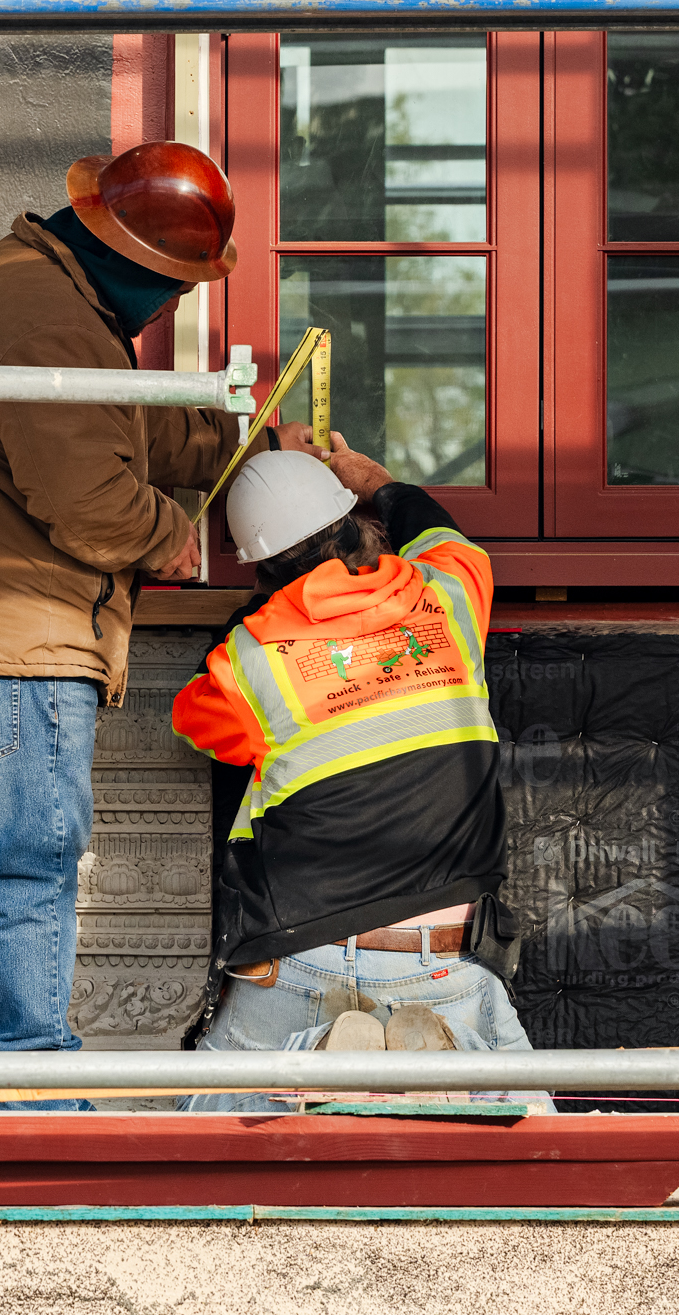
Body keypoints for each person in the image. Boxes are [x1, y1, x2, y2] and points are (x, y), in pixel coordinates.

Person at [0, 141, 286, 1057]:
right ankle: (37, 1083)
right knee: (29, 871)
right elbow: (89, 502)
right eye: (175, 287)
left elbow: (118, 425)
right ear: (133, 262)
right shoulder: (52, 322)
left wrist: (247, 446)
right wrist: (170, 534)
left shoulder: (30, 287)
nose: (174, 306)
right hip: (13, 652)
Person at [166, 434, 531, 1085]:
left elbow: (194, 720)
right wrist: (377, 483)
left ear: (258, 569)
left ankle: (326, 1050)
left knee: (213, 1120)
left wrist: (267, 620)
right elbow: (445, 537)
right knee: (525, 1132)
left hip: (301, 955)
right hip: (446, 962)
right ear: (358, 527)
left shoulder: (247, 661)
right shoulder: (450, 596)